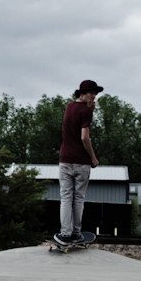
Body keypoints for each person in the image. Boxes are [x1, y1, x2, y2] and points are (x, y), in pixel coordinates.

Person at [54, 80, 102, 246]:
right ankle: (75, 233)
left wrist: (89, 110)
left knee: (66, 197)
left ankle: (65, 233)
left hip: (65, 160)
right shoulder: (86, 111)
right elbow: (84, 137)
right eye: (91, 93)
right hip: (81, 162)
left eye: (95, 94)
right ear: (83, 93)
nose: (94, 96)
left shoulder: (69, 107)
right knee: (78, 198)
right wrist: (93, 158)